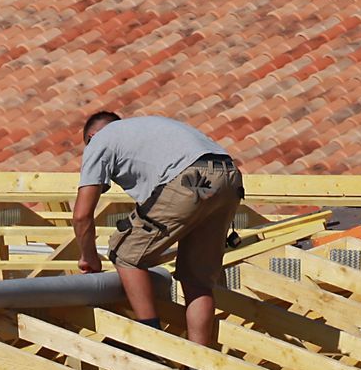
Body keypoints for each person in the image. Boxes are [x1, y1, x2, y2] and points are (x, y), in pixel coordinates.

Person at [72, 111, 244, 348]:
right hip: (229, 177)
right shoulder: (146, 130)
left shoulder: (100, 140)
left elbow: (82, 215)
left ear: (91, 136)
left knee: (125, 253)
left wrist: (89, 256)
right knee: (197, 280)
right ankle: (200, 365)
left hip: (189, 178)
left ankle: (151, 344)